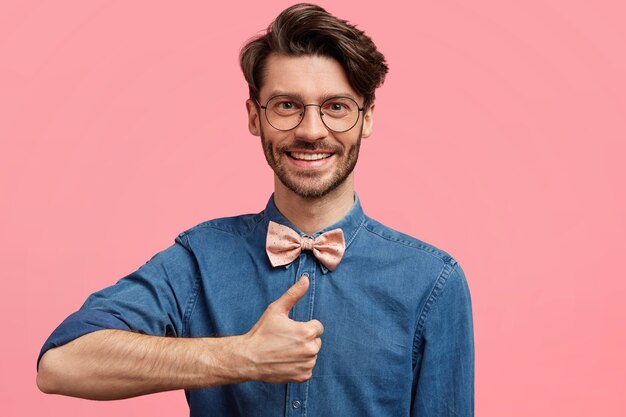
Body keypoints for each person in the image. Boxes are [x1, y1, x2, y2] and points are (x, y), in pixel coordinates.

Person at [36, 3, 474, 416]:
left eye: (336, 107)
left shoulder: (433, 282)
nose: (311, 130)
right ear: (254, 115)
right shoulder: (199, 259)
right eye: (287, 106)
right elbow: (61, 365)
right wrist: (242, 356)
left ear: (368, 117)